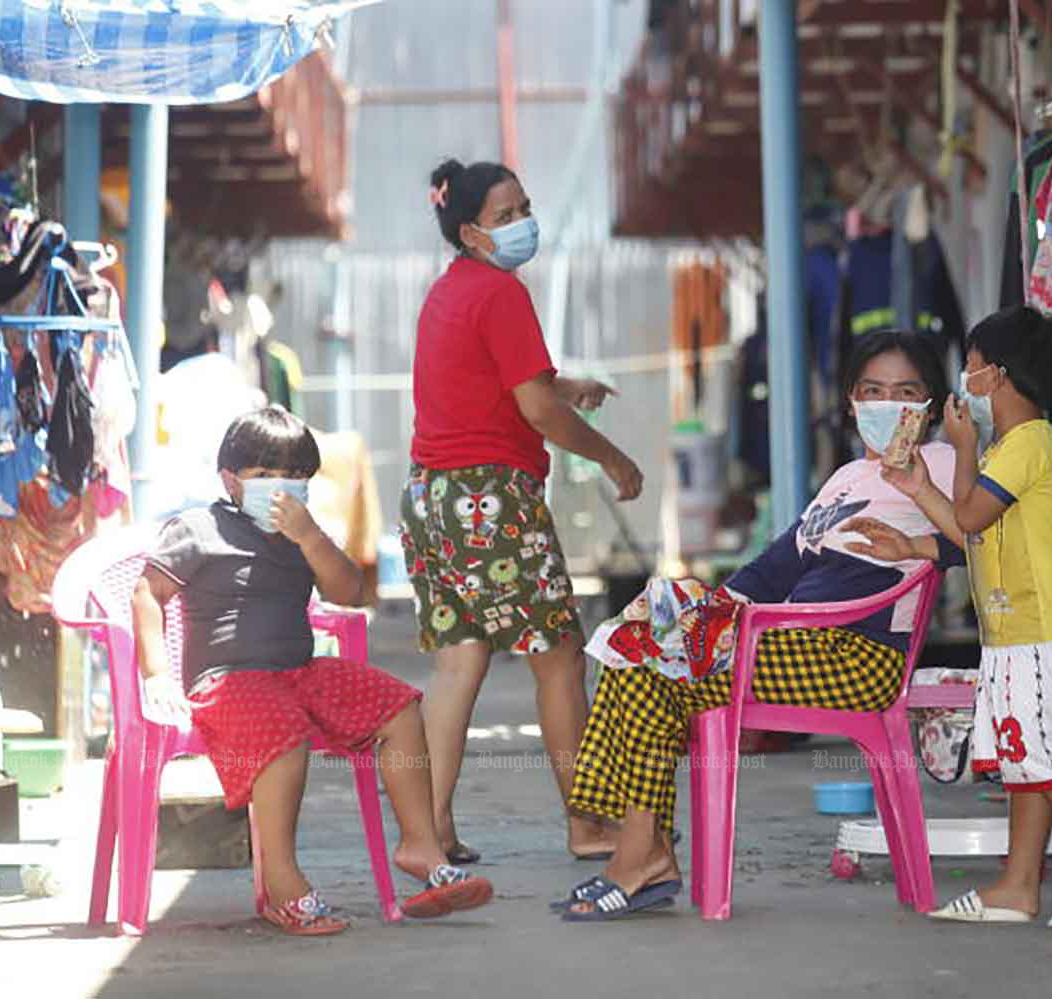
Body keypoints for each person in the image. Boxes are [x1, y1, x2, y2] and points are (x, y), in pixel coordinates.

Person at [553, 330, 964, 920]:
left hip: (854, 656)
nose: (886, 405)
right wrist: (706, 610)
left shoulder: (941, 464)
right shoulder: (848, 476)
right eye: (872, 390)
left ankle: (643, 853)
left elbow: (987, 534)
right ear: (850, 401)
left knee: (652, 659)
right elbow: (778, 566)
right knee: (638, 639)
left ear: (928, 405)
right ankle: (644, 849)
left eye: (905, 392)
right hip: (793, 641)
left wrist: (921, 544)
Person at [133, 407, 493, 935]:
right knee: (283, 730)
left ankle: (420, 845)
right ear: (230, 479)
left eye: (295, 476)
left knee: (398, 705)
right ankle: (283, 881)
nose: (281, 487)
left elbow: (348, 592)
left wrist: (310, 538)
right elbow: (147, 593)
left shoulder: (303, 535)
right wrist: (155, 674)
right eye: (264, 476)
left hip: (299, 672)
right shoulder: (197, 527)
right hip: (228, 681)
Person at [854, 305, 1052, 929]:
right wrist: (915, 503)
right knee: (1024, 756)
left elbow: (974, 516)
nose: (965, 382)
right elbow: (968, 530)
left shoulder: (1025, 442)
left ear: (999, 376)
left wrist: (963, 448)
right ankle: (1018, 884)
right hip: (1015, 631)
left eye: (973, 369)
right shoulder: (1015, 446)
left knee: (1047, 757)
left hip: (1038, 629)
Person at [406, 159, 644, 864]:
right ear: (473, 232)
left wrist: (566, 387)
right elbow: (531, 408)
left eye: (524, 208)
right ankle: (587, 821)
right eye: (506, 216)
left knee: (459, 664)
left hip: (433, 496)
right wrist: (611, 457)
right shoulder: (501, 292)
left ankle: (429, 833)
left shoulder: (451, 291)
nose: (523, 224)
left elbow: (496, 381)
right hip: (492, 501)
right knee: (560, 658)